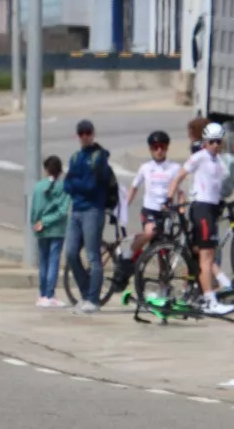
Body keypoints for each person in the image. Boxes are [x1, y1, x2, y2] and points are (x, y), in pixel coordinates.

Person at [103, 129, 182, 303]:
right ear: (150, 149)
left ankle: (163, 289)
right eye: (155, 147)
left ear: (167, 148)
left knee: (163, 253)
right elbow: (133, 188)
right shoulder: (145, 168)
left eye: (162, 147)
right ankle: (127, 253)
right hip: (150, 211)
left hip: (167, 214)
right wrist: (123, 208)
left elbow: (180, 192)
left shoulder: (175, 168)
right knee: (150, 232)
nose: (159, 150)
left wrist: (182, 213)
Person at [168, 122, 234, 317]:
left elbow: (218, 186)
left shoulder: (218, 161)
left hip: (211, 209)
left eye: (218, 141)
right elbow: (179, 176)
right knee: (207, 256)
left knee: (203, 254)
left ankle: (208, 290)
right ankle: (210, 300)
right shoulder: (199, 157)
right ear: (205, 141)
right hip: (201, 208)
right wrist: (169, 196)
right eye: (211, 141)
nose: (215, 145)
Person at [60, 119, 116, 311]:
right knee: (71, 253)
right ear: (78, 135)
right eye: (81, 133)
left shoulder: (99, 158)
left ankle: (93, 299)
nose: (85, 136)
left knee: (93, 256)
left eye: (88, 133)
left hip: (93, 210)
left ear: (93, 134)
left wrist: (77, 184)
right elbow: (67, 185)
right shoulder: (75, 157)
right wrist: (78, 184)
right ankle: (85, 293)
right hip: (76, 210)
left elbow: (91, 186)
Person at [29, 155, 69, 307]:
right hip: (57, 229)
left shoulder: (38, 187)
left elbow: (34, 209)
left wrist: (37, 223)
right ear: (60, 171)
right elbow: (63, 211)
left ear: (46, 170)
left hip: (41, 228)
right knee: (53, 261)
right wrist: (47, 221)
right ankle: (50, 294)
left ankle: (42, 294)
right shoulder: (64, 188)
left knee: (43, 261)